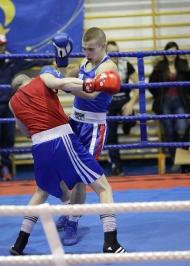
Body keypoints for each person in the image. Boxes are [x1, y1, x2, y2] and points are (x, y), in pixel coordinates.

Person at [8, 69, 126, 255]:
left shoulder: (13, 103)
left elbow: (24, 131)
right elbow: (63, 84)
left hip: (38, 146)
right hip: (61, 139)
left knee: (40, 192)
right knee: (103, 188)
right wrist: (93, 84)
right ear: (30, 80)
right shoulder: (41, 79)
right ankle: (111, 243)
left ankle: (19, 244)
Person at [52, 28, 119, 245]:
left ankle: (72, 223)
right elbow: (65, 77)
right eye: (84, 49)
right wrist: (61, 60)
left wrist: (66, 87)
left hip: (93, 128)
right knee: (65, 171)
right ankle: (71, 210)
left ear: (102, 46)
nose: (87, 53)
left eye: (91, 49)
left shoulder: (108, 67)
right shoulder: (84, 62)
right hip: (74, 122)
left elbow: (90, 95)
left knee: (81, 178)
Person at [0, 34, 52, 181]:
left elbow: (30, 62)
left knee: (9, 138)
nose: (0, 47)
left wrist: (49, 61)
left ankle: (5, 167)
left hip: (10, 104)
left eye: (2, 45)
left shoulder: (13, 59)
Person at [148, 41, 190, 173]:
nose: (171, 54)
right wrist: (159, 96)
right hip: (165, 101)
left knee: (181, 129)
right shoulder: (160, 66)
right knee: (169, 132)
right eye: (169, 51)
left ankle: (183, 159)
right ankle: (175, 160)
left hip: (180, 100)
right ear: (165, 52)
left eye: (174, 51)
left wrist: (185, 93)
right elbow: (151, 84)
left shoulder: (183, 64)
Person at [105, 41, 139, 176]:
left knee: (130, 120)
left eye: (117, 51)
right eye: (112, 52)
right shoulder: (100, 66)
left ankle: (126, 125)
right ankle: (116, 166)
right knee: (110, 134)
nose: (115, 55)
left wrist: (131, 103)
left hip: (124, 99)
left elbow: (139, 84)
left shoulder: (125, 64)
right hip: (107, 100)